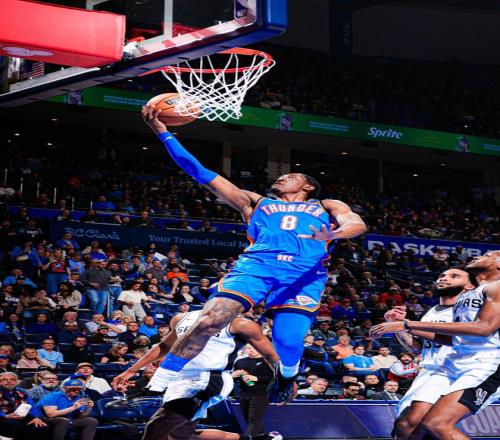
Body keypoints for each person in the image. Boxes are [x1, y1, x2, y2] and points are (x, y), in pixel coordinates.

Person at [141, 104, 367, 403]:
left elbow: (356, 223)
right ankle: (159, 381)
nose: (281, 178)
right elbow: (199, 171)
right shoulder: (254, 202)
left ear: (308, 186)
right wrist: (162, 132)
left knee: (288, 341)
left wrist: (335, 234)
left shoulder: (326, 205)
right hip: (256, 268)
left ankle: (287, 375)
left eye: (291, 176)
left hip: (303, 276)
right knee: (209, 320)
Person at [371, 251, 500, 440]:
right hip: (451, 364)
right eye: (442, 275)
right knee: (408, 425)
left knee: (436, 424)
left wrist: (408, 324)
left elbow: (484, 328)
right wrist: (403, 327)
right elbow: (452, 339)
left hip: (484, 363)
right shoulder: (462, 300)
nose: (478, 256)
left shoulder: (495, 287)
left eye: (488, 254)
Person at [112, 308, 283, 440]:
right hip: (179, 379)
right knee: (179, 435)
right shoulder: (181, 318)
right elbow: (164, 346)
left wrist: (286, 382)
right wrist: (130, 371)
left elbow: (270, 355)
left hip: (209, 379)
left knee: (158, 424)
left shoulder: (240, 324)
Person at [381, 268, 476, 440]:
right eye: (441, 275)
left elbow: (457, 340)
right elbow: (418, 348)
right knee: (406, 428)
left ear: (469, 286)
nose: (444, 278)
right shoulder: (430, 312)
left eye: (454, 276)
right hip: (428, 372)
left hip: (457, 371)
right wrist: (397, 326)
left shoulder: (471, 310)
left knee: (413, 424)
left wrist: (407, 325)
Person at [232, 344, 275, 436]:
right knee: (249, 420)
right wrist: (233, 376)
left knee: (254, 420)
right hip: (243, 393)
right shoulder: (240, 362)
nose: (251, 350)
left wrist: (257, 378)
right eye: (248, 348)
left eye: (254, 348)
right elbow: (236, 380)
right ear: (245, 349)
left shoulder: (268, 361)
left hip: (261, 394)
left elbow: (274, 379)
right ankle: (264, 437)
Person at [0, 372, 48, 440]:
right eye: (5, 379)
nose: (9, 381)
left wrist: (36, 417)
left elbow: (32, 406)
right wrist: (5, 416)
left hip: (21, 416)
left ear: (16, 382)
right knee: (17, 427)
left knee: (41, 426)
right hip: (3, 417)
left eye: (12, 379)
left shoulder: (22, 392)